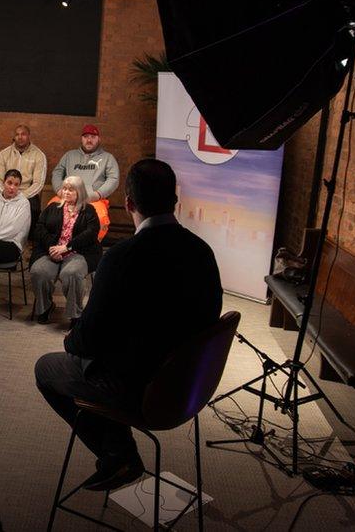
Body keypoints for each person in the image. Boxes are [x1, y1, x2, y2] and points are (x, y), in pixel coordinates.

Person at [34, 159, 222, 493]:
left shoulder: (121, 257)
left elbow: (86, 340)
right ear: (175, 201)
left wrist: (72, 341)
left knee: (49, 368)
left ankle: (117, 453)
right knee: (94, 356)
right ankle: (117, 451)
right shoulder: (202, 251)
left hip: (141, 391)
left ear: (130, 204)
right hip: (191, 386)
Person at [29, 175, 102, 325]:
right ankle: (45, 307)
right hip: (51, 251)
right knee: (39, 271)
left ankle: (75, 314)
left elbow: (91, 233)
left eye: (71, 190)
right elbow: (39, 228)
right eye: (65, 189)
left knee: (72, 273)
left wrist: (66, 247)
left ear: (80, 192)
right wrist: (52, 248)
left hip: (78, 252)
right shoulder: (52, 208)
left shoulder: (88, 210)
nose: (66, 192)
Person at [50, 124, 119, 241]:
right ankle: (54, 243)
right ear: (82, 139)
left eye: (93, 136)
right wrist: (59, 190)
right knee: (51, 209)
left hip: (93, 199)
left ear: (99, 139)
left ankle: (91, 246)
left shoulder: (108, 158)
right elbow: (57, 172)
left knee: (101, 218)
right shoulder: (69, 155)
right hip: (67, 197)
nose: (89, 140)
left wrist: (98, 194)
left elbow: (114, 179)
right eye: (86, 136)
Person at [0, 125, 47, 224]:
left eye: (23, 134)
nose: (20, 137)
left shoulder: (39, 155)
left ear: (29, 136)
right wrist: (4, 194)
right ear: (14, 137)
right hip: (5, 190)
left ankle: (26, 238)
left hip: (26, 193)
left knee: (34, 210)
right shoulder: (4, 154)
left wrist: (21, 196)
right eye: (17, 134)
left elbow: (39, 183)